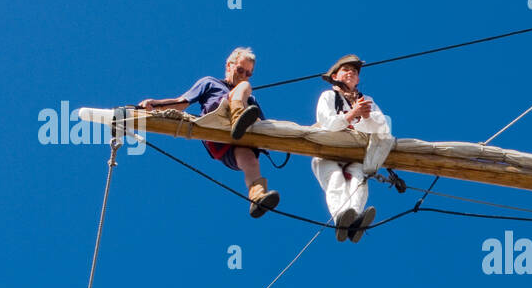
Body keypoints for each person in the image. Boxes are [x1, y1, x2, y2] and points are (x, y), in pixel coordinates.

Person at [139, 47, 280, 218]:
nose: (243, 76)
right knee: (245, 87)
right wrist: (155, 104)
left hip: (239, 139)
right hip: (216, 130)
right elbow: (181, 102)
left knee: (250, 161)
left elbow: (261, 124)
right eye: (240, 70)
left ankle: (257, 197)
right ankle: (237, 116)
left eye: (248, 73)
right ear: (229, 66)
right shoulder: (210, 83)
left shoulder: (250, 99)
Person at [311, 55, 394, 242]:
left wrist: (365, 118)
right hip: (329, 149)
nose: (351, 72)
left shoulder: (367, 100)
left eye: (355, 71)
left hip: (356, 151)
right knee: (335, 180)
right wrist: (353, 114)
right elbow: (329, 123)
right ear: (334, 76)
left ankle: (355, 220)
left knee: (359, 181)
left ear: (358, 80)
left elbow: (383, 127)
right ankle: (341, 218)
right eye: (346, 69)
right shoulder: (328, 96)